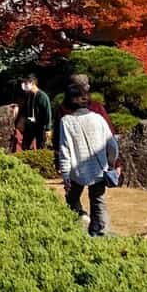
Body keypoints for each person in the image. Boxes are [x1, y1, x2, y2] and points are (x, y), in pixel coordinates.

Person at [57, 84, 119, 237]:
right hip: (99, 169)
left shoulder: (66, 121)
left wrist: (65, 174)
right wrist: (111, 163)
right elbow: (112, 145)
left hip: (77, 172)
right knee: (98, 202)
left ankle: (80, 222)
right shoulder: (98, 118)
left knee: (71, 199)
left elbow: (65, 150)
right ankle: (100, 233)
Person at [52, 72, 112, 139]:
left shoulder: (63, 109)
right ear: (88, 88)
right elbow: (110, 134)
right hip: (99, 148)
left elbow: (58, 138)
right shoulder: (97, 108)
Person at [10, 71, 52, 152]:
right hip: (30, 125)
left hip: (40, 126)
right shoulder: (29, 95)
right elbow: (25, 109)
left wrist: (48, 129)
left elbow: (48, 113)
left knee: (41, 147)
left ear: (32, 83)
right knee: (25, 146)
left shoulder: (42, 96)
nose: (24, 85)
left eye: (26, 83)